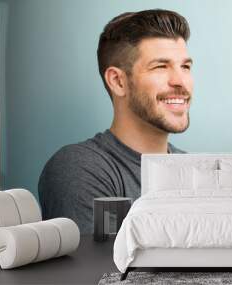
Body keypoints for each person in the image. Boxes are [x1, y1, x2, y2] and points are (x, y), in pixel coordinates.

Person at [38, 9, 194, 234]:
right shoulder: (80, 168)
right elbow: (100, 268)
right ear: (118, 81)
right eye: (161, 66)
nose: (181, 81)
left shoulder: (192, 169)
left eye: (185, 67)